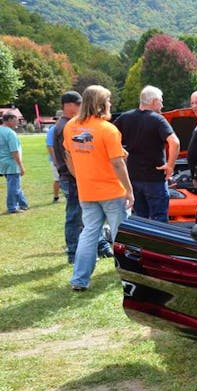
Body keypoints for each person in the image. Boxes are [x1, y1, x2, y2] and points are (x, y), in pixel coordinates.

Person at [63, 85, 134, 291]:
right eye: (108, 100)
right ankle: (127, 277)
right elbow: (117, 163)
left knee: (89, 233)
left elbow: (69, 156)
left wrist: (81, 177)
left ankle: (79, 280)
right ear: (101, 103)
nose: (110, 104)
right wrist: (129, 190)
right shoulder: (108, 129)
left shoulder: (71, 126)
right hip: (112, 191)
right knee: (122, 235)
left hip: (87, 191)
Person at [53, 90, 113, 264]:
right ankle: (73, 252)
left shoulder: (72, 124)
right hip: (72, 179)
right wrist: (81, 177)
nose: (81, 107)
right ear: (68, 105)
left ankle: (100, 246)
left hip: (79, 178)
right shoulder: (65, 126)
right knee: (75, 217)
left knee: (92, 217)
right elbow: (67, 158)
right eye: (78, 104)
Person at [114, 85, 179, 222]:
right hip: (155, 178)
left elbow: (110, 138)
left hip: (133, 177)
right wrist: (170, 166)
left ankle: (141, 243)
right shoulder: (158, 119)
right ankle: (159, 243)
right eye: (161, 101)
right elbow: (175, 142)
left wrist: (121, 151)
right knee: (159, 219)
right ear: (154, 101)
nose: (162, 104)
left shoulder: (125, 118)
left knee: (139, 218)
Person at [0, 112, 28, 214]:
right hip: (12, 163)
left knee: (15, 184)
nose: (17, 122)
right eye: (16, 120)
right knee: (14, 186)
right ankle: (12, 207)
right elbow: (14, 151)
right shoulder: (10, 133)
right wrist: (21, 166)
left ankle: (23, 203)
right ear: (9, 120)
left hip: (3, 162)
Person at [46, 114, 62, 202]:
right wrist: (55, 160)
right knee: (57, 179)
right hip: (56, 159)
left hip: (62, 158)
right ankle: (56, 197)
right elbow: (49, 146)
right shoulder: (53, 130)